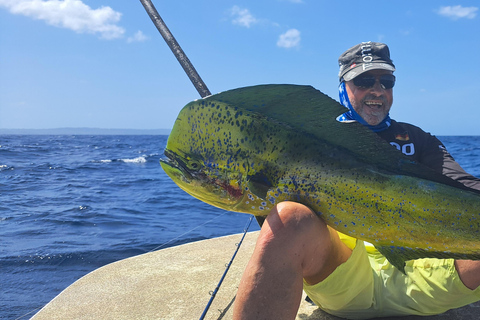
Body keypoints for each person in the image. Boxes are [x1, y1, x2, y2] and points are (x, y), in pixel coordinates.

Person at [232, 41, 480, 320]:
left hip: (429, 278)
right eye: (364, 81)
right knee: (288, 217)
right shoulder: (313, 141)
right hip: (345, 276)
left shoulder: (417, 138)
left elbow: (463, 186)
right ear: (343, 84)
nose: (378, 90)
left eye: (387, 82)